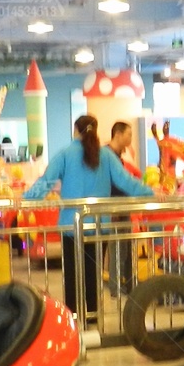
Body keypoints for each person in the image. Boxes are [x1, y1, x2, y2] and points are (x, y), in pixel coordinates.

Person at [23, 114, 151, 317]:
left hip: (71, 226)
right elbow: (126, 181)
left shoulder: (65, 154)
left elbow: (46, 182)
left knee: (72, 275)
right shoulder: (106, 156)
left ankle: (74, 317)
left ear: (75, 130)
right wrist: (151, 193)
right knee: (93, 274)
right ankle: (92, 315)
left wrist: (25, 200)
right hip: (99, 225)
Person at [103, 120, 141, 296]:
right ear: (118, 134)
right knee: (117, 248)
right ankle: (116, 287)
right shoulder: (107, 155)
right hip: (114, 206)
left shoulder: (118, 155)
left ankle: (127, 284)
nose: (131, 138)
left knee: (125, 247)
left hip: (122, 204)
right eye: (129, 134)